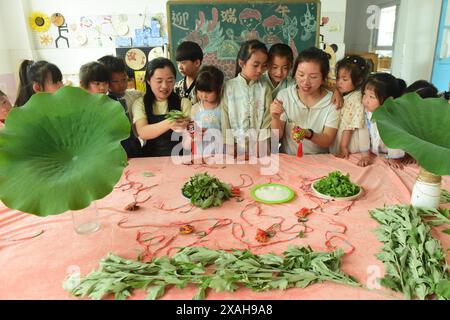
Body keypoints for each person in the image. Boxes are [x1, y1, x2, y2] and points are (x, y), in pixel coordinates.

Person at [271, 46, 340, 155]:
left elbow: (327, 140)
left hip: (318, 162)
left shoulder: (332, 101)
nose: (305, 82)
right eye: (301, 74)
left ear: (323, 78)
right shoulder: (284, 96)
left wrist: (308, 134)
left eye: (313, 77)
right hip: (290, 160)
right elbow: (277, 137)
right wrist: (275, 117)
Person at [221, 39, 272, 158]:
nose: (260, 70)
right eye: (255, 65)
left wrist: (261, 144)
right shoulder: (228, 87)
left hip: (260, 149)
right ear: (241, 63)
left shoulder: (264, 88)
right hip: (234, 149)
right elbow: (225, 118)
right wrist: (229, 145)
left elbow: (267, 119)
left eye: (264, 66)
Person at [132, 57, 191, 157]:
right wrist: (170, 122)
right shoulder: (140, 103)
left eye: (170, 80)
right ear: (148, 81)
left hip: (179, 157)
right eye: (159, 81)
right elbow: (143, 132)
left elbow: (191, 132)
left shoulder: (184, 103)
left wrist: (187, 128)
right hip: (150, 159)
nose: (164, 86)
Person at [98, 55, 144, 158]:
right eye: (115, 81)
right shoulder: (103, 102)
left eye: (124, 79)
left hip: (135, 145)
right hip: (115, 150)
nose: (121, 84)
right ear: (106, 82)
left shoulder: (136, 95)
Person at [358, 73, 405, 168]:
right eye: (364, 94)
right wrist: (365, 155)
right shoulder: (367, 113)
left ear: (388, 99)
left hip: (389, 154)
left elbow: (397, 139)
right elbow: (363, 134)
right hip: (375, 152)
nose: (365, 100)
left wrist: (394, 157)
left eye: (371, 97)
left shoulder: (395, 118)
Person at [330, 55, 370, 158]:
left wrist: (343, 146)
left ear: (359, 80)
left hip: (349, 144)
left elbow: (349, 126)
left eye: (345, 79)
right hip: (341, 138)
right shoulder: (346, 93)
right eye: (338, 78)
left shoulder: (356, 98)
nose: (339, 82)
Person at [183, 65, 224, 158]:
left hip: (219, 153)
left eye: (208, 92)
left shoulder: (223, 108)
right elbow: (190, 132)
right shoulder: (195, 109)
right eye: (200, 91)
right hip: (199, 154)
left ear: (219, 89)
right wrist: (194, 135)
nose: (204, 96)